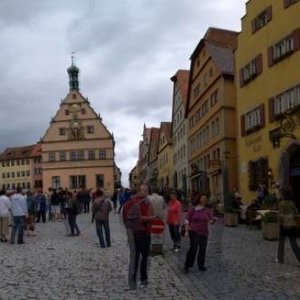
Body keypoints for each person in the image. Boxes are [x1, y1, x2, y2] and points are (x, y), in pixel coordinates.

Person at [123, 184, 154, 290]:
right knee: (140, 257)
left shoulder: (147, 202)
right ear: (138, 191)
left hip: (142, 232)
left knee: (139, 257)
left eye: (147, 189)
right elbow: (135, 218)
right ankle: (139, 279)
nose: (147, 191)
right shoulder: (132, 203)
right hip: (139, 233)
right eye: (145, 190)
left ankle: (137, 279)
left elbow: (125, 220)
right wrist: (151, 218)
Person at [184, 193, 215, 272]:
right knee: (193, 249)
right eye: (203, 198)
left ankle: (201, 265)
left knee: (202, 249)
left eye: (205, 198)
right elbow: (187, 220)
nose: (204, 200)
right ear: (199, 199)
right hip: (193, 231)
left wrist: (212, 221)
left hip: (204, 232)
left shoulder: (207, 210)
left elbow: (210, 220)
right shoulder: (193, 209)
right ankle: (188, 264)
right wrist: (186, 231)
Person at [276, 188, 300, 266]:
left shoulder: (281, 204)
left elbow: (280, 215)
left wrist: (280, 224)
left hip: (284, 225)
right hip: (292, 224)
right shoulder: (292, 203)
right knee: (293, 243)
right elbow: (296, 213)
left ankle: (280, 259)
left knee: (281, 243)